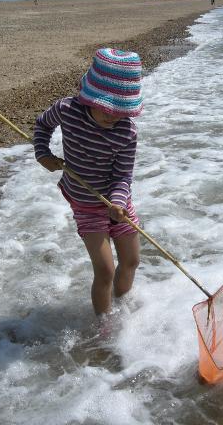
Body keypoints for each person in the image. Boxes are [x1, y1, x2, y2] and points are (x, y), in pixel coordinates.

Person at [33, 48, 143, 318]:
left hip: (117, 202)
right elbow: (42, 125)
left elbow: (122, 176)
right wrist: (42, 154)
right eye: (107, 107)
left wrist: (117, 203)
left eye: (120, 110)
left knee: (131, 261)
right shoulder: (67, 110)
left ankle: (124, 310)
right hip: (86, 202)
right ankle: (103, 327)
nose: (113, 115)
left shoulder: (127, 132)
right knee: (105, 270)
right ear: (90, 96)